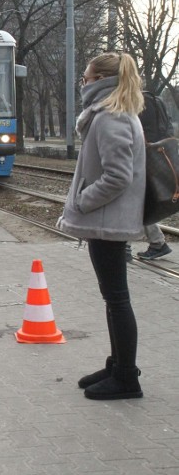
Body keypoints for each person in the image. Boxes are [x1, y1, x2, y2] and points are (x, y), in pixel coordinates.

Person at [57, 51, 146, 400]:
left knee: (118, 299)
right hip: (107, 220)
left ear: (100, 81)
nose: (83, 83)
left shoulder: (111, 116)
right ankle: (117, 365)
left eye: (86, 78)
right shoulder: (112, 113)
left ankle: (126, 377)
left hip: (108, 220)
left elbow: (117, 176)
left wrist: (82, 201)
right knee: (114, 298)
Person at [135, 91, 173, 260]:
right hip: (156, 154)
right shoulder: (154, 99)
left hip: (144, 155)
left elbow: (138, 132)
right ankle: (157, 242)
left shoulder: (137, 101)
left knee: (136, 201)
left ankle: (156, 243)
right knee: (139, 201)